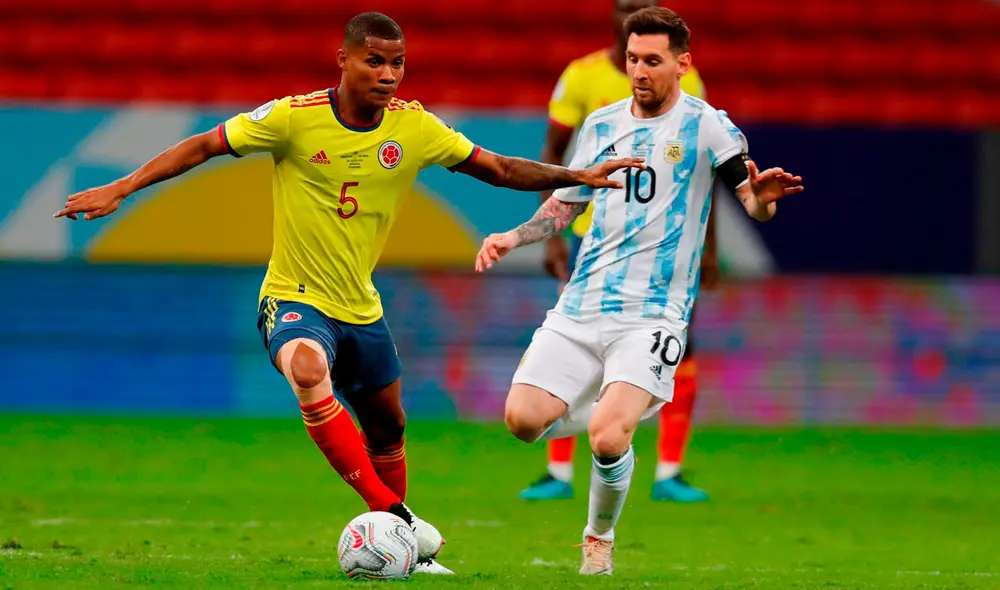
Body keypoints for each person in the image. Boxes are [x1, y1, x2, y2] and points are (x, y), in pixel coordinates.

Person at [54, 11, 642, 576]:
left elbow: (499, 169)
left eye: (398, 64)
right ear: (344, 60)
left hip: (361, 306)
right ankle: (396, 519)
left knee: (388, 428)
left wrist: (577, 176)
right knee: (308, 370)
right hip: (293, 295)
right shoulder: (292, 117)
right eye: (374, 62)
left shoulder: (414, 127)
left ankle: (406, 548)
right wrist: (123, 187)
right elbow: (204, 145)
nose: (388, 75)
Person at [475, 7, 803, 575]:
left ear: (682, 64)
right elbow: (565, 205)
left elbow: (750, 201)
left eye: (652, 60)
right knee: (523, 421)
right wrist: (515, 236)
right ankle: (623, 402)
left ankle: (597, 539)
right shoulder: (600, 125)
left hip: (653, 315)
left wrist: (765, 198)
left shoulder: (707, 125)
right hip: (582, 304)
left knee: (605, 439)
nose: (639, 71)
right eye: (632, 59)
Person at [523, 0, 715, 504]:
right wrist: (552, 235)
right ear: (614, 15)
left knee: (675, 349)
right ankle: (559, 472)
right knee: (581, 346)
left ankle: (669, 469)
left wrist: (708, 247)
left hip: (665, 251)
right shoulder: (582, 76)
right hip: (593, 241)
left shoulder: (687, 86)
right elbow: (554, 154)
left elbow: (702, 174)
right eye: (627, 6)